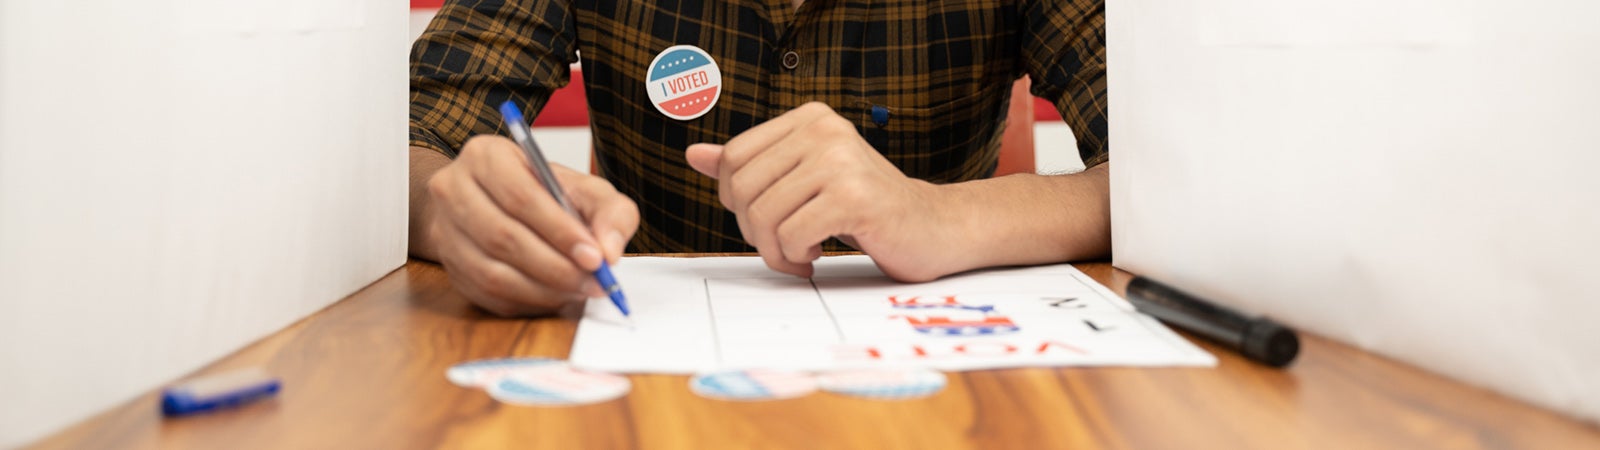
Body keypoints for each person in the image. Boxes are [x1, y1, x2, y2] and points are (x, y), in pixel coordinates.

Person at [408, 0, 1108, 316]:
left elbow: (1167, 175)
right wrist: (453, 217)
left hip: (935, 382)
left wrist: (941, 216)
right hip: (650, 382)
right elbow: (410, 146)